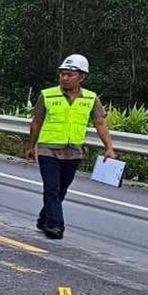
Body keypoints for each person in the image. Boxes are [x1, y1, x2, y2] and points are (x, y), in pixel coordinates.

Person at [25, 53, 116, 240]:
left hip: (73, 151)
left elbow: (100, 123)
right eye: (62, 74)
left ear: (82, 77)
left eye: (70, 74)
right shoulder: (47, 95)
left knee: (61, 189)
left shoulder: (91, 98)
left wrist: (109, 147)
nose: (65, 78)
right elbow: (36, 122)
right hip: (48, 149)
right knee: (51, 188)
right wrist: (31, 145)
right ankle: (56, 225)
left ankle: (44, 218)